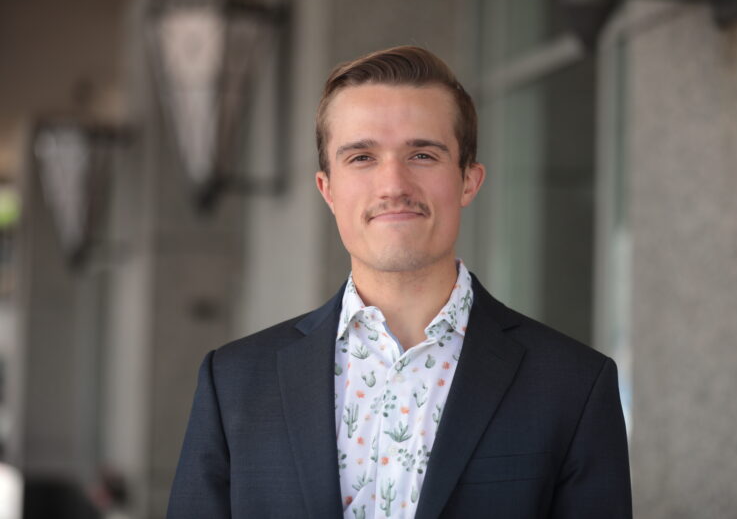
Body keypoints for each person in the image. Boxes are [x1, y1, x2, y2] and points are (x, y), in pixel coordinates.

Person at [167, 45, 631, 519]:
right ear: (327, 189)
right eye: (362, 157)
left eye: (423, 154)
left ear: (469, 181)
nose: (393, 185)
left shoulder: (573, 385)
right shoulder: (235, 382)